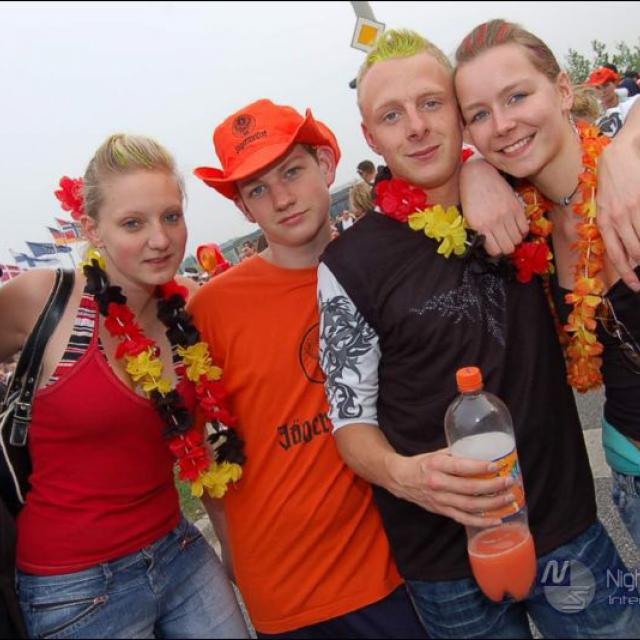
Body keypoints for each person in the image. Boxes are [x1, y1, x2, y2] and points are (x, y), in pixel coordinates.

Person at [317, 28, 639, 639]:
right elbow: (347, 417)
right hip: (444, 562)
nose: (417, 127)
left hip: (567, 527)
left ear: (458, 115)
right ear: (370, 136)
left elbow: (581, 148)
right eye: (392, 115)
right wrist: (404, 475)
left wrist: (480, 169)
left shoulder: (523, 191)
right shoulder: (348, 263)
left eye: (431, 103)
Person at [189, 98, 427, 639]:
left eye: (292, 171)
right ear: (244, 209)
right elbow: (197, 445)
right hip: (285, 590)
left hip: (394, 568)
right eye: (257, 190)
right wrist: (228, 542)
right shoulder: (210, 310)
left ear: (325, 164)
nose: (281, 199)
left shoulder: (382, 266)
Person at [0, 134, 248, 639]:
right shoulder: (42, 300)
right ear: (93, 229)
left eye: (171, 216)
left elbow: (205, 442)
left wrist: (231, 548)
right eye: (133, 223)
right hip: (74, 586)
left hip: (179, 552)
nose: (160, 239)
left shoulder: (191, 307)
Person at [454, 19, 640, 549]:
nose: (502, 124)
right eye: (480, 115)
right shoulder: (517, 225)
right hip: (631, 470)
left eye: (517, 96)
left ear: (562, 90)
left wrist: (629, 143)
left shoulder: (630, 167)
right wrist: (472, 171)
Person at [584, 65, 640, 137]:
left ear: (615, 83)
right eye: (598, 87)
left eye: (606, 85)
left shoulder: (632, 104)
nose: (603, 91)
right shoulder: (593, 115)